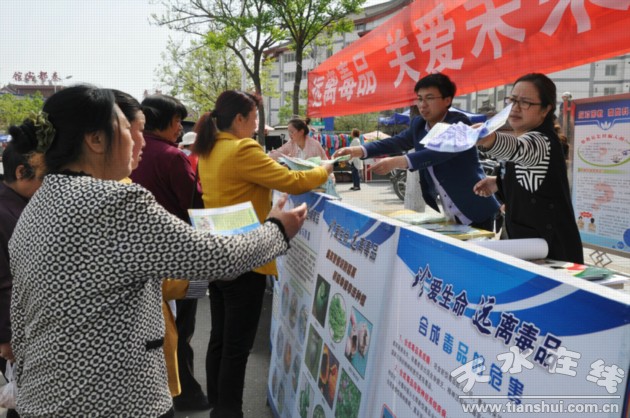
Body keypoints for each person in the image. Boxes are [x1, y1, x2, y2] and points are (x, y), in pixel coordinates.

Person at [8, 85, 308, 417]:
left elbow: (20, 318)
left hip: (42, 399)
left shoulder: (37, 206)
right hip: (116, 402)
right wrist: (278, 229)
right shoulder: (114, 201)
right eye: (128, 130)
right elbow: (215, 258)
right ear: (95, 140)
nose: (139, 142)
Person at [193, 91, 332, 418]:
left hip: (217, 253)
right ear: (240, 119)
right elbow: (293, 181)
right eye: (255, 118)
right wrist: (324, 170)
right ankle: (228, 413)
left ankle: (218, 405)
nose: (258, 125)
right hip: (247, 258)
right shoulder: (243, 148)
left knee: (220, 338)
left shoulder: (209, 149)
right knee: (236, 347)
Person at [334, 73, 500, 231]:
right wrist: (358, 150)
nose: (423, 104)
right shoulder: (418, 125)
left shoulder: (459, 123)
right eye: (420, 99)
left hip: (476, 206)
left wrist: (397, 161)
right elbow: (396, 142)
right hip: (450, 211)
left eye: (429, 98)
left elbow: (439, 153)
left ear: (447, 100)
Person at [129, 94, 208, 411]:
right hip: (179, 259)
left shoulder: (131, 156)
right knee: (181, 328)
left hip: (140, 259)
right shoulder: (172, 156)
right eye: (177, 121)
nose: (180, 128)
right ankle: (184, 393)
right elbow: (196, 206)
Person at [474, 73, 584, 264]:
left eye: (525, 102)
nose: (515, 108)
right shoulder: (526, 137)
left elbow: (519, 149)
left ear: (545, 109)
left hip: (553, 256)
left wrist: (489, 139)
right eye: (513, 100)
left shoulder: (541, 140)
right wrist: (497, 182)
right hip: (527, 250)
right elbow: (526, 173)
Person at [0, 136, 46, 418]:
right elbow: (4, 282)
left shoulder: (19, 205)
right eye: (44, 176)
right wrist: (7, 338)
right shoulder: (6, 212)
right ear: (21, 172)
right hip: (14, 328)